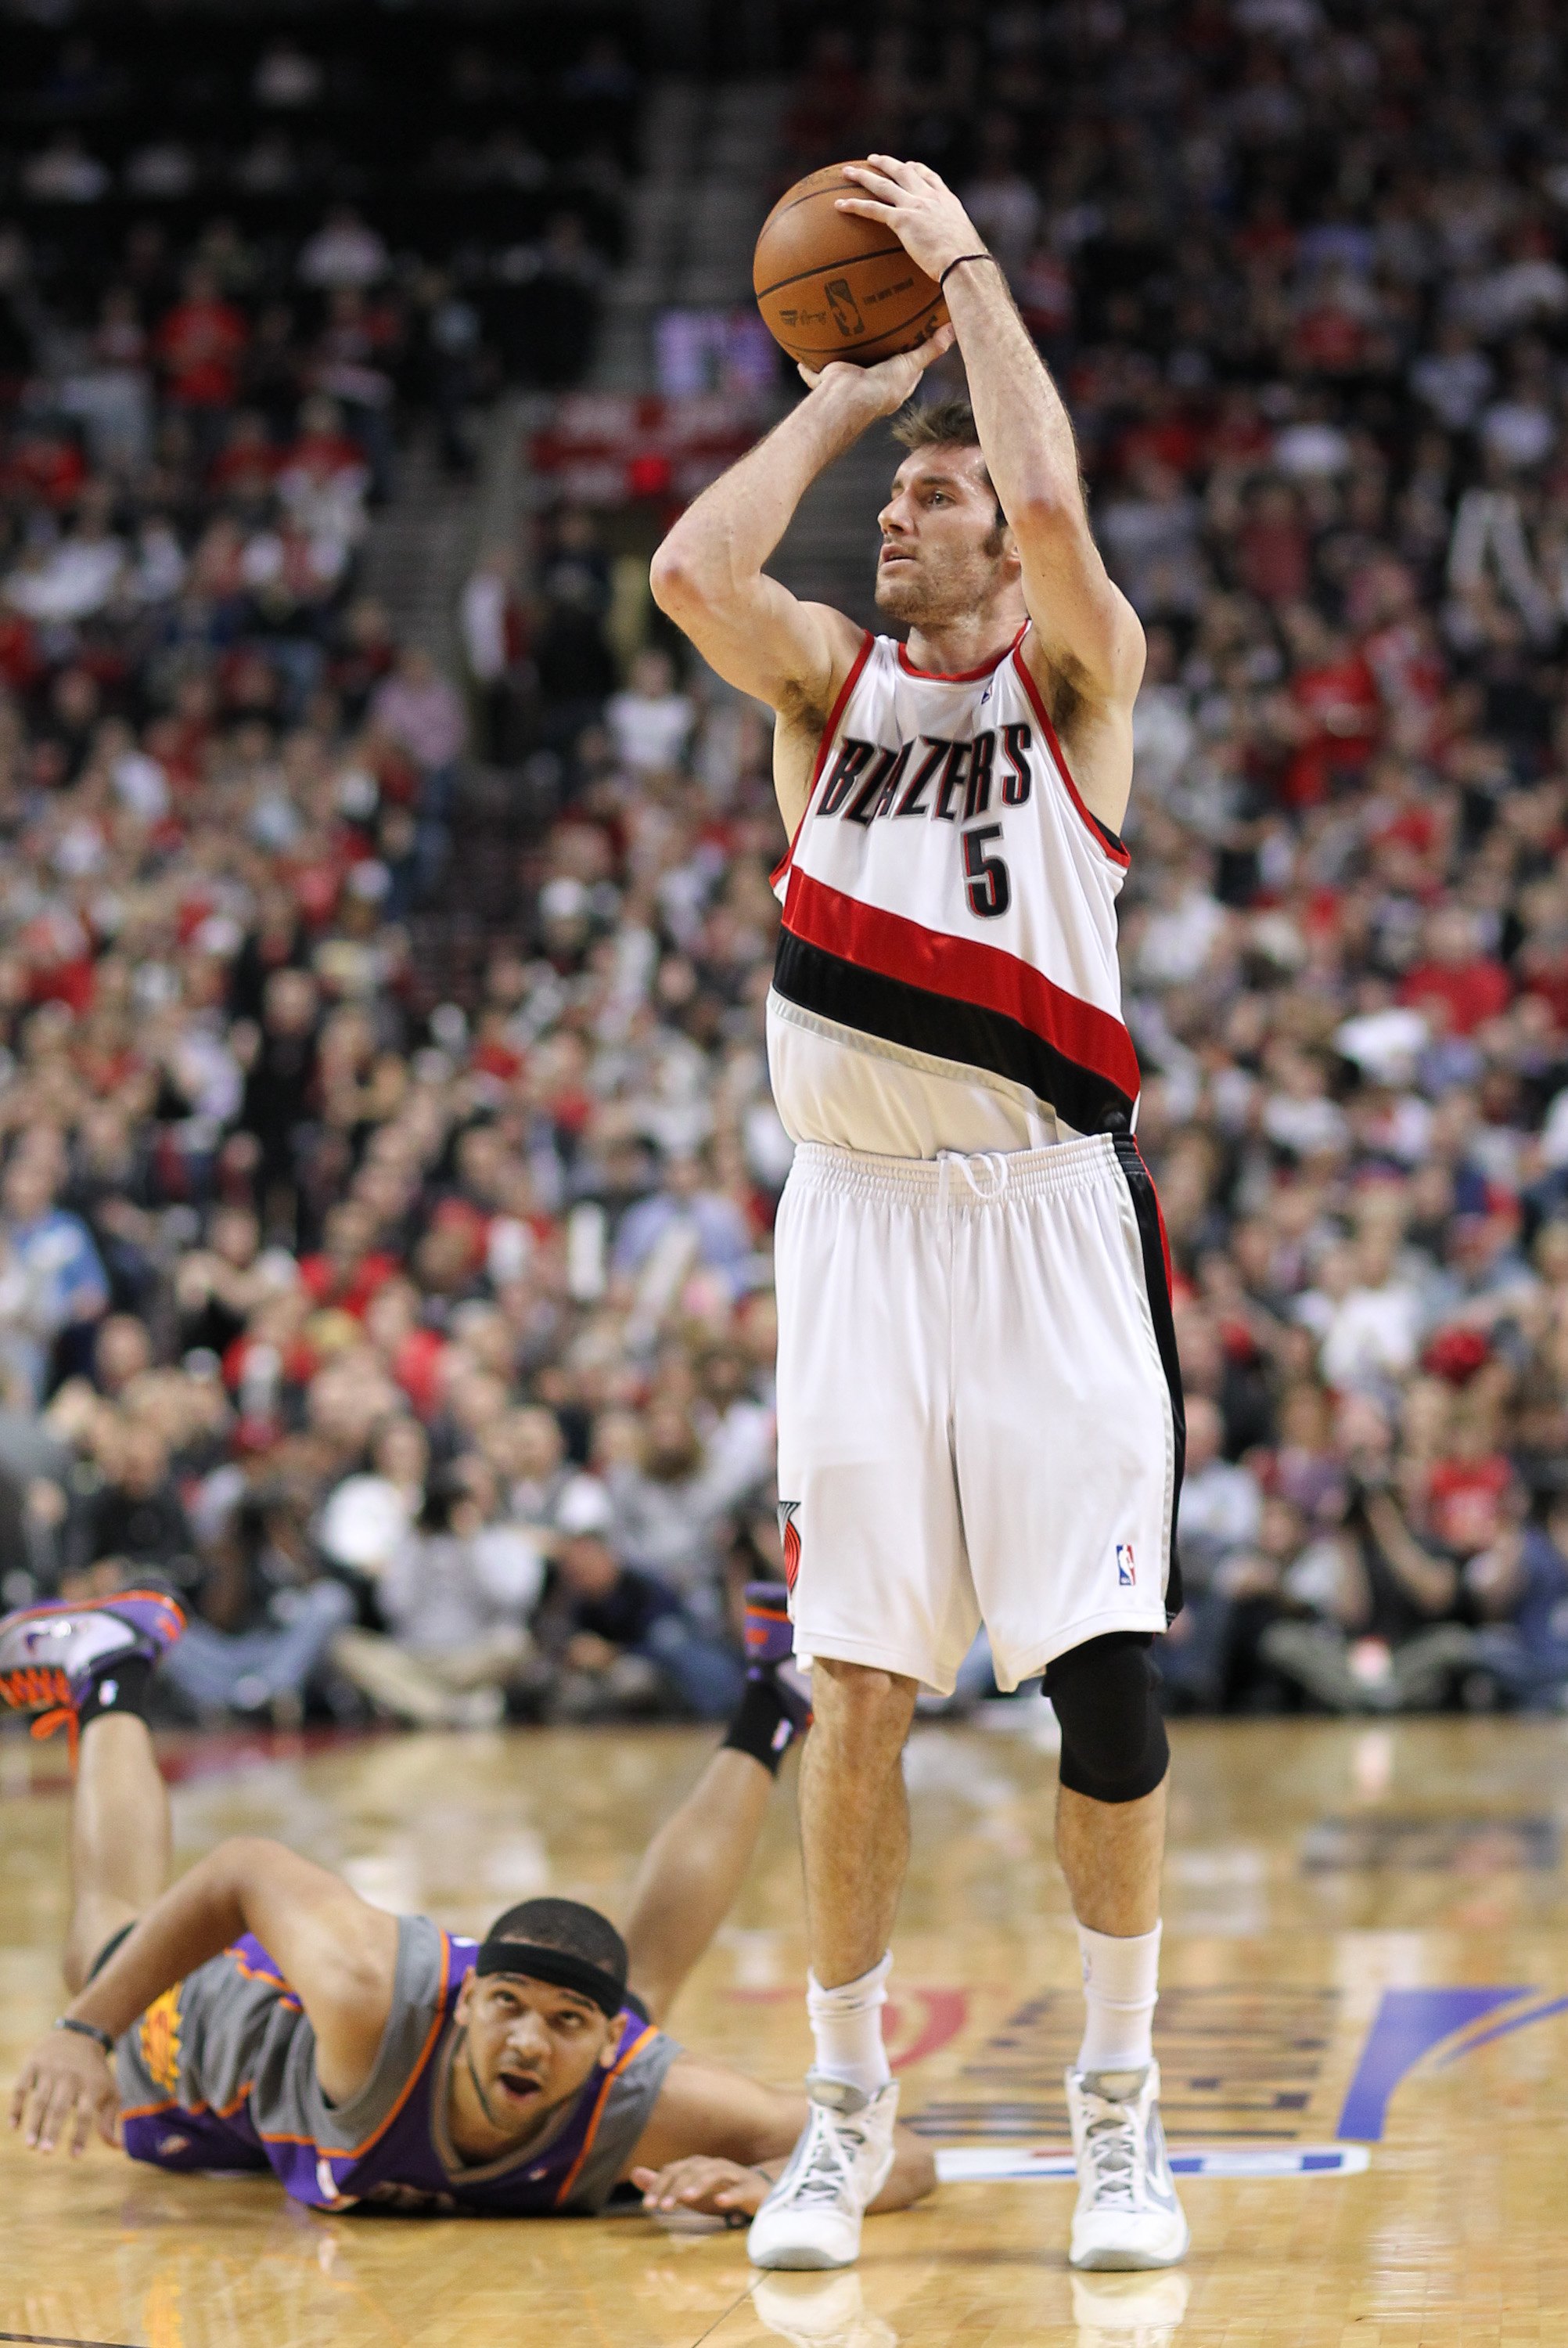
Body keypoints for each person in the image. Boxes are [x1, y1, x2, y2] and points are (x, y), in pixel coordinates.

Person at [651, 156, 1187, 2272]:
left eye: (929, 497)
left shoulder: (1079, 682)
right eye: (896, 499)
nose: (900, 517)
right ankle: (846, 2114)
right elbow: (692, 566)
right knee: (853, 1689)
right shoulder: (821, 694)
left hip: (1049, 1221)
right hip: (859, 1234)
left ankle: (1119, 2111)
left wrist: (960, 278)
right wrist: (842, 401)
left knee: (1108, 1688)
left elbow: (1051, 505)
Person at [2, 1581, 932, 2224]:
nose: (528, 2041)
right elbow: (241, 1869)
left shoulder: (644, 2101)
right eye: (509, 2008)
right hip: (268, 2046)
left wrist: (771, 2184)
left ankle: (772, 1696)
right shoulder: (365, 1992)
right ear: (463, 2005)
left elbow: (901, 2153)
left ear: (612, 2046)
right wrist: (83, 2032)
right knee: (103, 1950)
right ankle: (111, 1668)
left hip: (393, 2111)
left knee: (632, 1980)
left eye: (567, 2023)